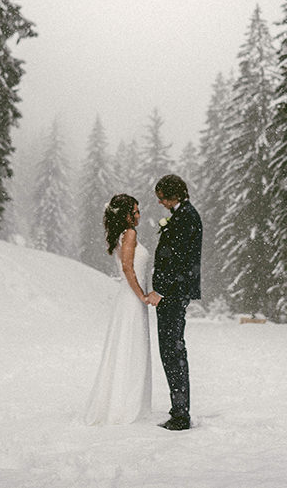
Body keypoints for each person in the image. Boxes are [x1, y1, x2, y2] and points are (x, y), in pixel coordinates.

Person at [84, 194, 153, 425]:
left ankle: (120, 400)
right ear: (126, 215)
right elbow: (128, 268)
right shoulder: (130, 234)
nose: (138, 215)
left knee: (126, 348)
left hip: (128, 298)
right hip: (131, 299)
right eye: (135, 211)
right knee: (131, 348)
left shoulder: (121, 235)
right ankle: (126, 405)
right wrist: (142, 295)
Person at [144, 174, 202, 431]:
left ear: (174, 195)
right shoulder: (183, 216)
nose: (159, 202)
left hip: (173, 294)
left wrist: (160, 290)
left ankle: (180, 414)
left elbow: (176, 261)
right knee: (171, 350)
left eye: (162, 197)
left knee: (172, 351)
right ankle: (179, 408)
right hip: (175, 292)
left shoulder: (186, 218)